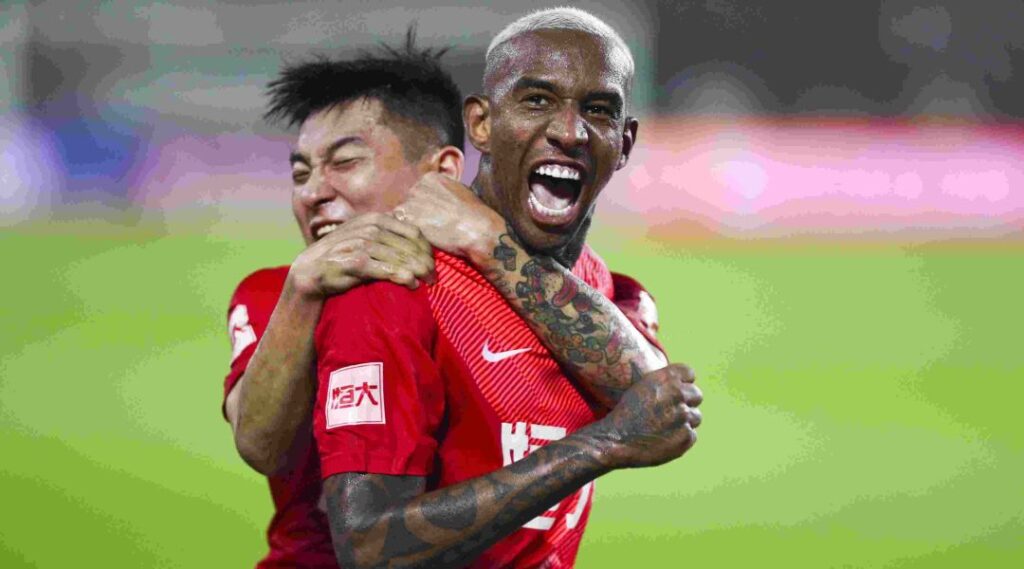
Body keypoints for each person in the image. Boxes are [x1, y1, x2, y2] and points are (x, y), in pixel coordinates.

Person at [221, 25, 679, 568]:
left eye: (345, 163)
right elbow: (266, 450)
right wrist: (301, 290)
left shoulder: (605, 293)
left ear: (440, 172)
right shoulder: (316, 297)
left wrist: (485, 237)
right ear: (481, 124)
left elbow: (658, 411)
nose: (314, 192)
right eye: (300, 173)